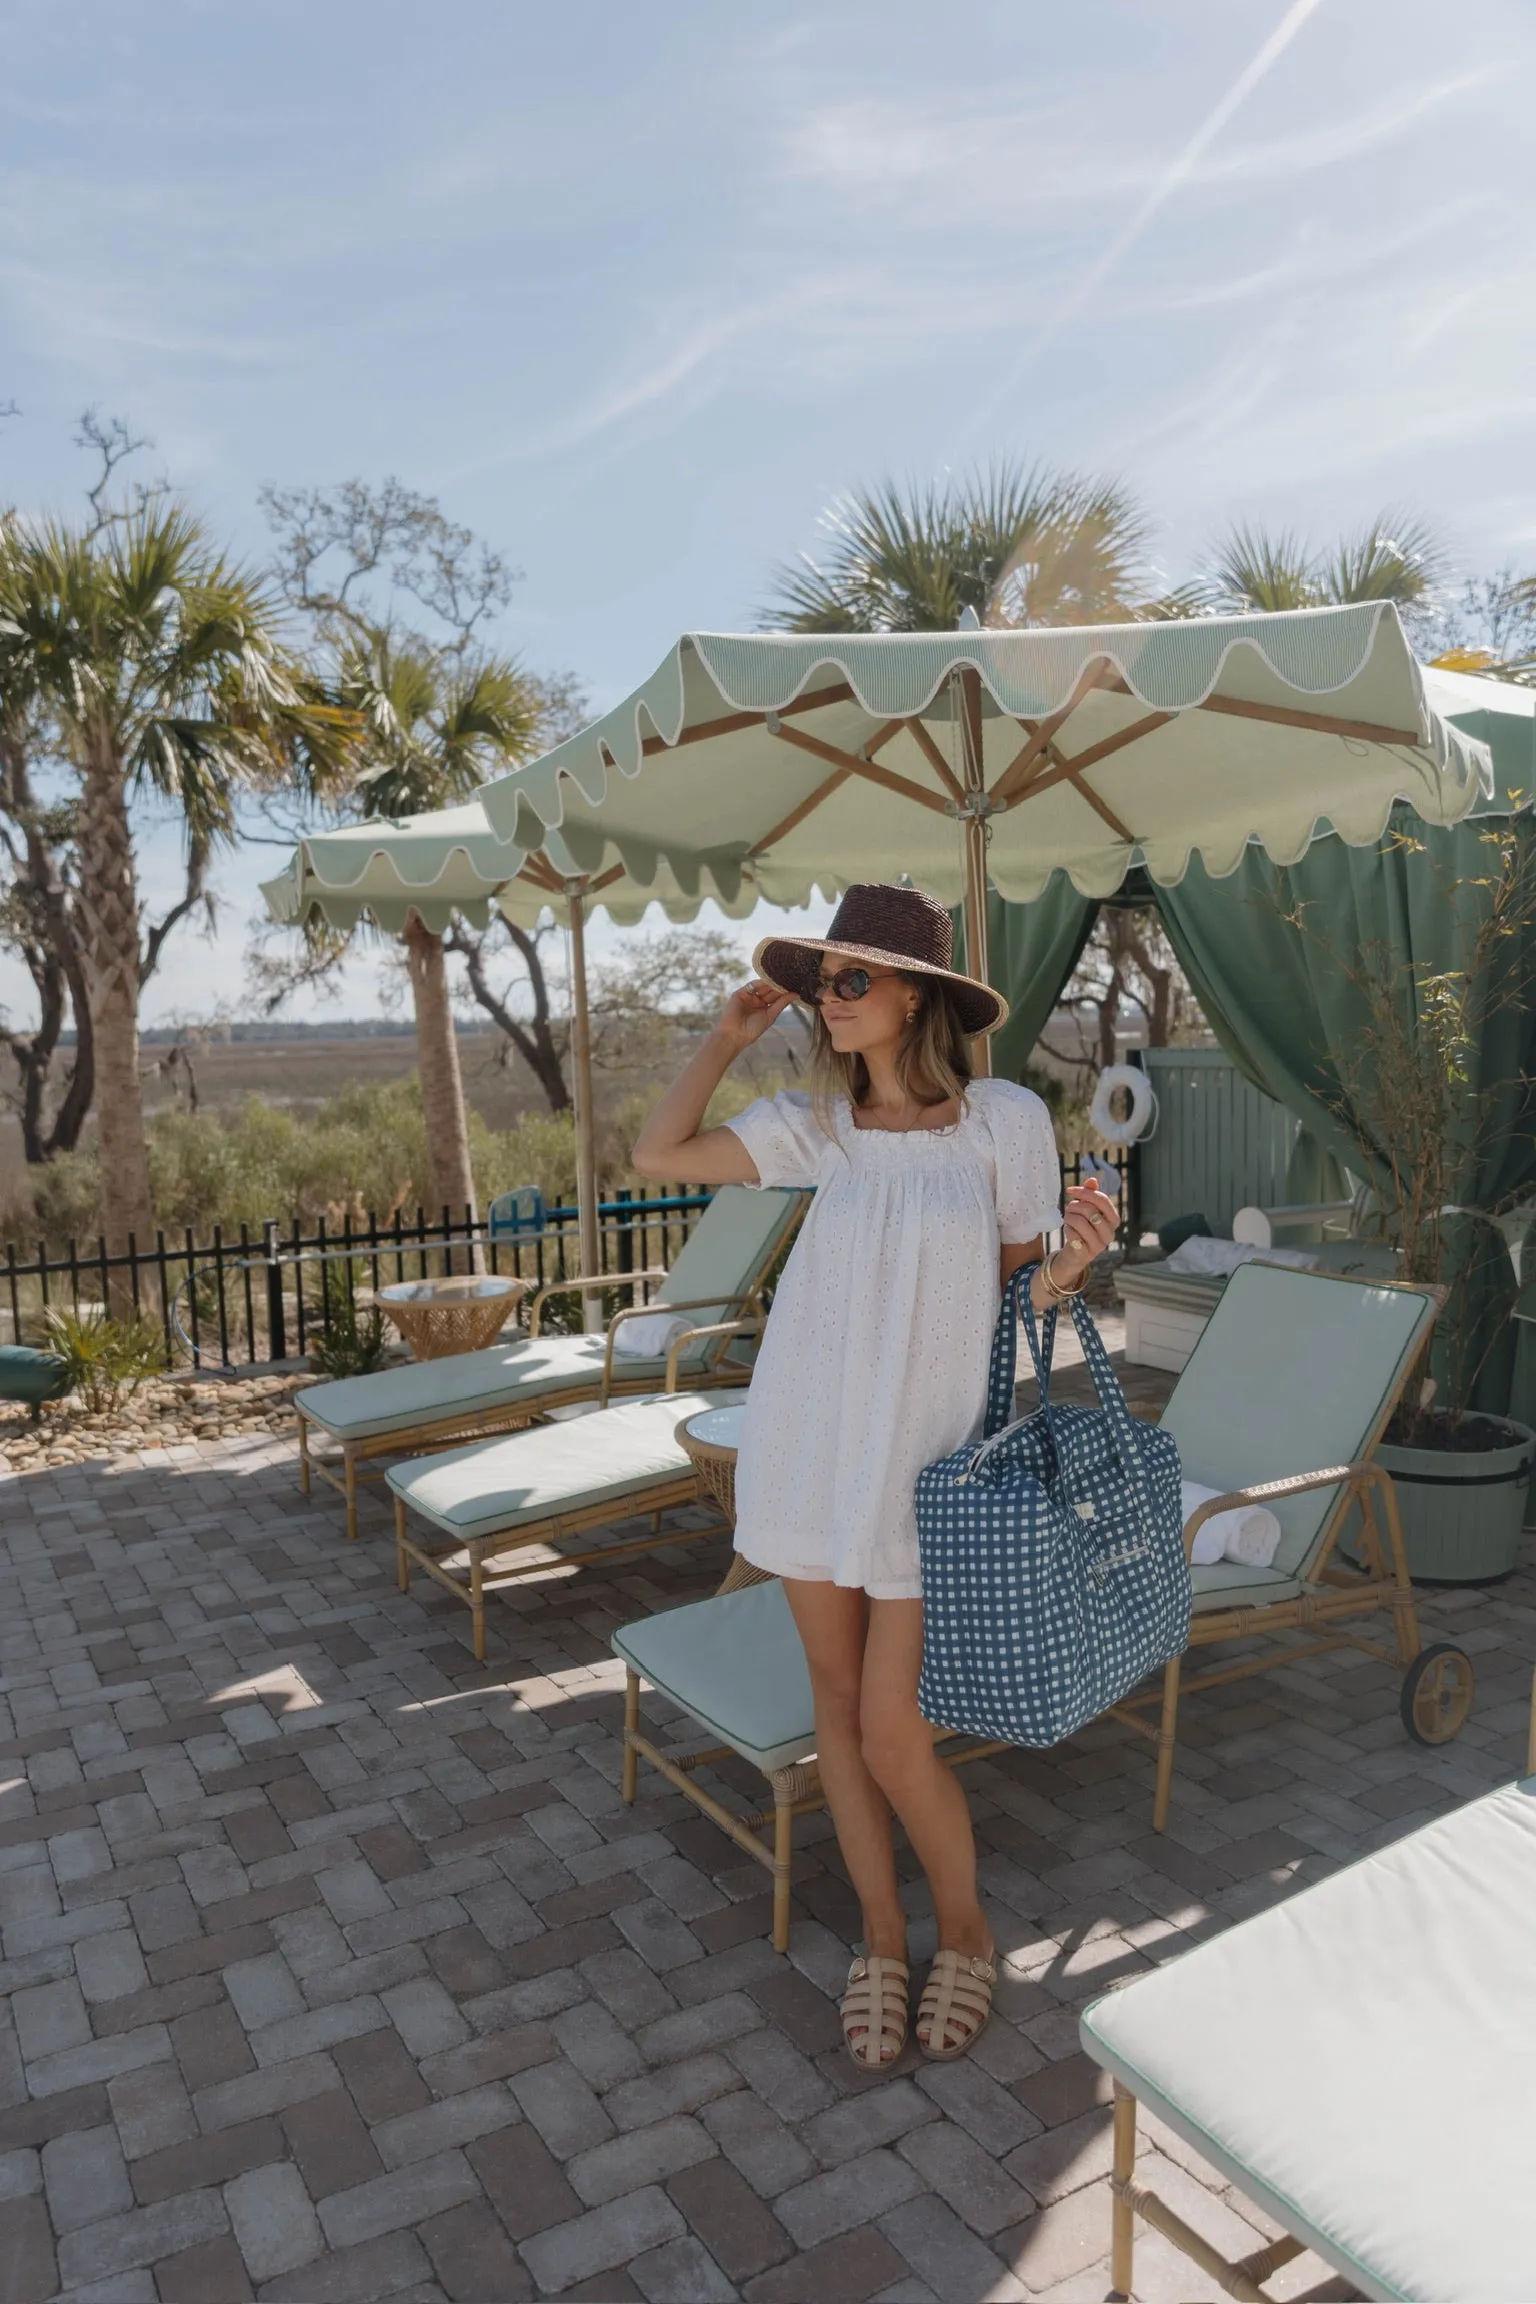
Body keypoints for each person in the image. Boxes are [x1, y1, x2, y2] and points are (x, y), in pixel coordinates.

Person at [633, 883, 1117, 2070]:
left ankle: (968, 1932)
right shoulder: (819, 1126)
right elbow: (658, 1151)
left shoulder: (1003, 1121)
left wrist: (1072, 1271)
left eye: (853, 980)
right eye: (822, 983)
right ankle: (883, 1940)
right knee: (838, 1715)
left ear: (917, 996)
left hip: (928, 1471)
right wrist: (726, 1038)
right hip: (807, 1449)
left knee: (895, 1732)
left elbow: (1020, 1297)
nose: (830, 1001)